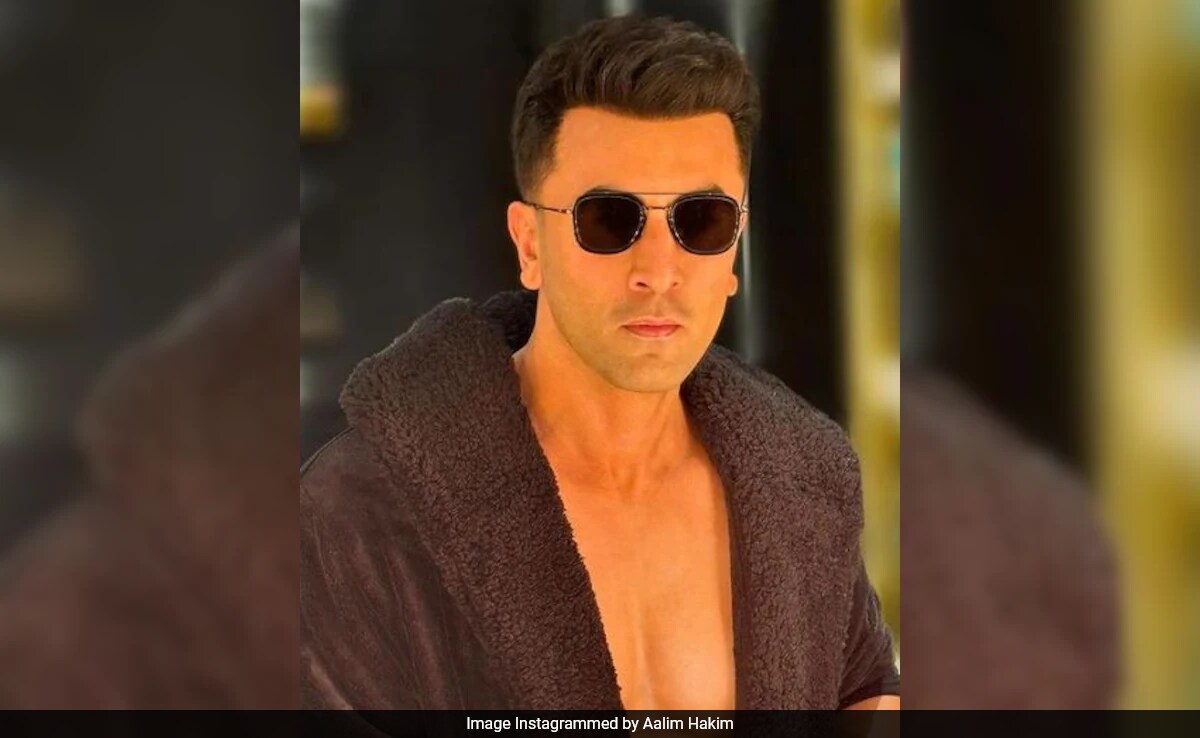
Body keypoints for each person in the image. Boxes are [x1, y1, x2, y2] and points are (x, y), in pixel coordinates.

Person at [301, 15, 900, 711]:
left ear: (736, 245)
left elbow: (865, 683)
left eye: (701, 221)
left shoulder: (802, 484)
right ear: (530, 244)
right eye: (609, 221)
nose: (658, 271)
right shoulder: (361, 514)